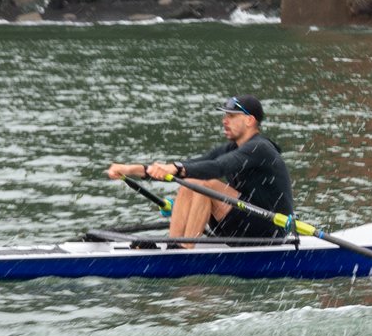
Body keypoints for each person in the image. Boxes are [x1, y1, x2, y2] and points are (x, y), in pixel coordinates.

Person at [104, 95, 293, 241]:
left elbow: (218, 167)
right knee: (191, 180)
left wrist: (176, 168)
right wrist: (129, 170)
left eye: (231, 116)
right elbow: (192, 166)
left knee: (205, 183)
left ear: (249, 120)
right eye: (225, 115)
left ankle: (185, 250)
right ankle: (176, 244)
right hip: (242, 224)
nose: (224, 121)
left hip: (270, 229)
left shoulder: (260, 148)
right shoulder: (231, 148)